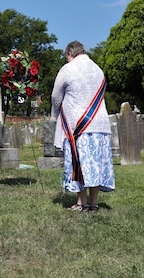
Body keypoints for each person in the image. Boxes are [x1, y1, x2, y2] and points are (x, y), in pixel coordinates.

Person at [51, 40, 115, 212]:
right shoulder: (98, 70)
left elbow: (56, 96)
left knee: (78, 163)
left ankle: (81, 202)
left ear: (69, 54)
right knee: (96, 165)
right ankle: (94, 203)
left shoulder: (67, 69)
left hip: (78, 125)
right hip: (99, 123)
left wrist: (56, 115)